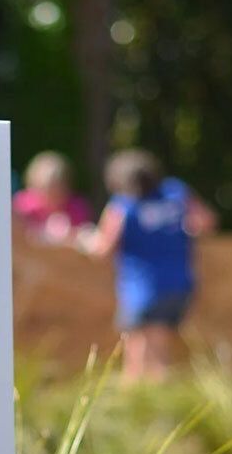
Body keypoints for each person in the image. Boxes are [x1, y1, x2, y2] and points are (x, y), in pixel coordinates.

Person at [83, 149, 217, 382]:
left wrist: (83, 239)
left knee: (136, 355)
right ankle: (156, 404)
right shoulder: (176, 193)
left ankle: (140, 407)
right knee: (159, 348)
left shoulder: (123, 205)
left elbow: (103, 249)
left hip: (141, 289)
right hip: (180, 284)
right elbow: (206, 222)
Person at [13, 151, 94, 245]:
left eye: (59, 187)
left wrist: (70, 233)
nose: (54, 193)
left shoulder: (77, 207)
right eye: (46, 189)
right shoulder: (23, 205)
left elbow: (85, 235)